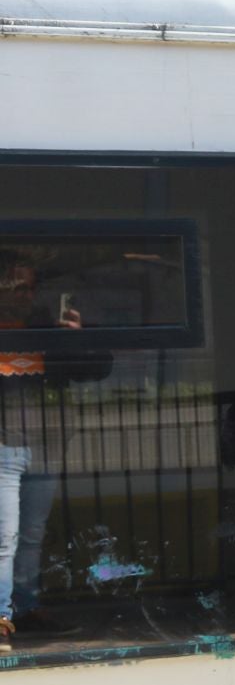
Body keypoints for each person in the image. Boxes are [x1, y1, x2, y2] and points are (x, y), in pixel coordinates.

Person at [0, 249, 112, 645]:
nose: (24, 294)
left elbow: (96, 369)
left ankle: (25, 609)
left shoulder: (44, 326)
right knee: (6, 536)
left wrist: (78, 340)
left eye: (29, 287)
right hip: (5, 444)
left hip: (44, 443)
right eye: (16, 285)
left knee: (30, 534)